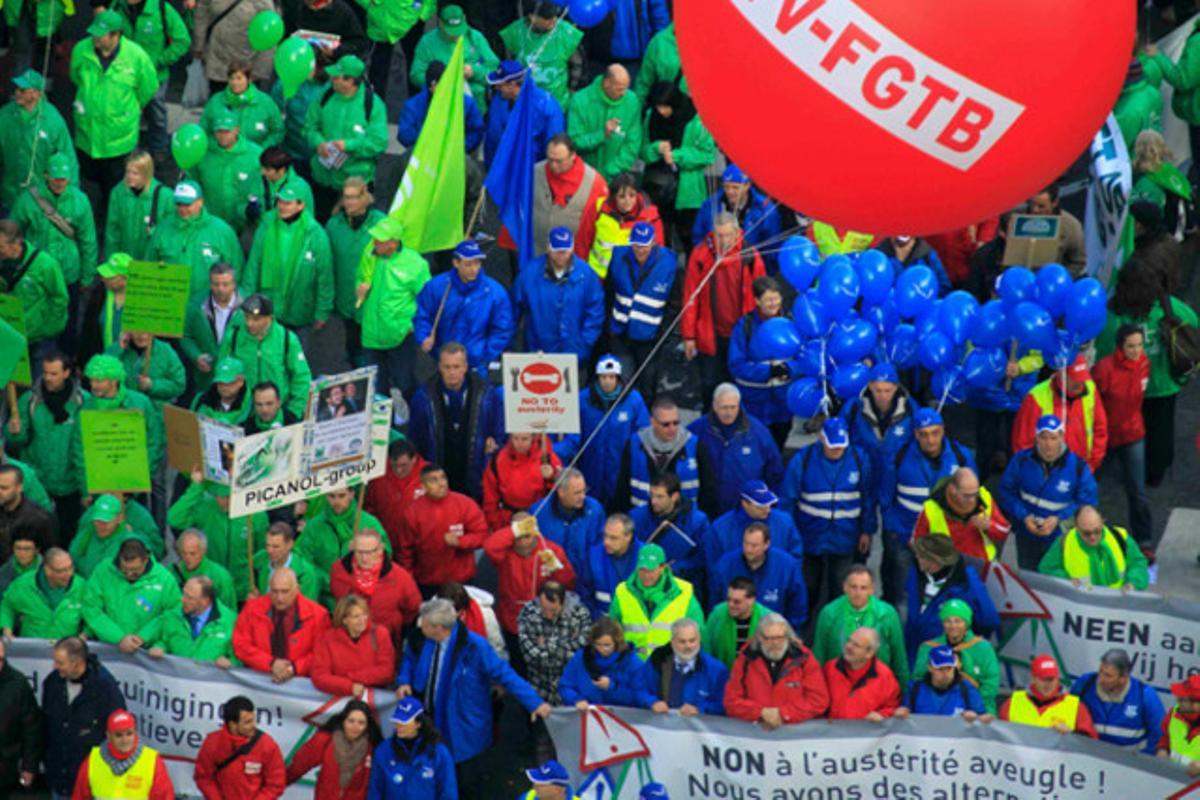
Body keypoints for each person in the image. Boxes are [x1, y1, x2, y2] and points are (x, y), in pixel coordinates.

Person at [397, 598, 551, 794]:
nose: (420, 626)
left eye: (425, 624)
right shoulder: (420, 639)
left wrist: (534, 702)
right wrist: (404, 680)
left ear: (439, 628)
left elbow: (505, 674)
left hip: (462, 724)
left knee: (466, 781)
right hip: (431, 718)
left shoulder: (475, 647)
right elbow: (409, 659)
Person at [1095, 260, 1197, 488]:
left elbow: (1102, 350)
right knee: (1161, 428)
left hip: (1126, 387)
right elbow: (1192, 323)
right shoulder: (1168, 307)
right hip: (1162, 383)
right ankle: (1155, 471)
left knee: (1125, 427)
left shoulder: (1114, 315)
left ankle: (1126, 464)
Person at [878, 407, 976, 605]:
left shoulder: (961, 457)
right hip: (905, 538)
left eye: (935, 433)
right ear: (915, 434)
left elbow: (972, 497)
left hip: (946, 542)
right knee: (904, 596)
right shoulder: (898, 457)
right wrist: (898, 532)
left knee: (944, 597)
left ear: (943, 430)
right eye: (923, 435)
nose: (930, 440)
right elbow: (885, 498)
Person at [780, 417, 875, 617]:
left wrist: (867, 530)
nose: (837, 450)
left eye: (841, 446)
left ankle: (837, 628)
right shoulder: (803, 460)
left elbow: (868, 498)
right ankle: (806, 630)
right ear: (822, 439)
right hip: (809, 536)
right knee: (808, 588)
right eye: (833, 446)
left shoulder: (859, 460)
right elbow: (787, 500)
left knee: (840, 589)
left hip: (845, 537)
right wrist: (789, 535)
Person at [68, 10, 158, 196]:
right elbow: (75, 77)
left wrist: (131, 107)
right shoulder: (80, 50)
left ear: (115, 35)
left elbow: (148, 87)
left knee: (117, 189)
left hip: (118, 142)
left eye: (100, 34)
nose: (95, 38)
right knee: (90, 183)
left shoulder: (137, 57)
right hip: (88, 137)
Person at [682, 212, 766, 402]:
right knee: (710, 386)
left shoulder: (750, 256)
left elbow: (762, 297)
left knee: (740, 386)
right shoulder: (701, 255)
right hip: (710, 334)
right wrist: (689, 336)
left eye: (728, 234)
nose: (724, 240)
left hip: (740, 335)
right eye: (719, 235)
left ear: (737, 233)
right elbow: (690, 298)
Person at [1000, 415, 1099, 569]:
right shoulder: (1021, 460)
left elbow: (1088, 501)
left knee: (1056, 581)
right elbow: (1006, 491)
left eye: (1053, 438)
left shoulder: (1078, 467)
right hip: (1026, 536)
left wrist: (1059, 519)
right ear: (1036, 438)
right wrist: (1024, 516)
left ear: (1061, 437)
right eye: (1043, 438)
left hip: (1060, 539)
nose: (1048, 444)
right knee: (1028, 581)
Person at [10, 154, 99, 319]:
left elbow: (88, 241)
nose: (60, 183)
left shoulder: (80, 201)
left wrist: (87, 276)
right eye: (56, 178)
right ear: (46, 175)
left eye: (64, 179)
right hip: (37, 272)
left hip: (68, 272)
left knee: (68, 319)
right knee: (36, 316)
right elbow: (13, 234)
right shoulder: (27, 201)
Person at [555, 356, 649, 509]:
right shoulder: (582, 399)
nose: (607, 381)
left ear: (618, 378)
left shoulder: (633, 400)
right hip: (590, 469)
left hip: (621, 472)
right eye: (603, 377)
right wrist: (555, 453)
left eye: (611, 377)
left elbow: (642, 436)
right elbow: (572, 436)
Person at [241, 184, 333, 341]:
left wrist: (322, 312)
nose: (282, 207)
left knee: (298, 358)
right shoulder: (266, 226)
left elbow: (324, 276)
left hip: (300, 310)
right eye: (280, 202)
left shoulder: (316, 235)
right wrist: (246, 300)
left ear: (301, 205)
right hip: (269, 307)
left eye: (288, 203)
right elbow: (254, 265)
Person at [355, 216, 431, 398]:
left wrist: (412, 327)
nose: (374, 243)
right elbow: (360, 277)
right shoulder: (369, 255)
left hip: (400, 336)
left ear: (394, 242)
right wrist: (359, 289)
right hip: (371, 335)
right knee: (376, 387)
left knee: (405, 382)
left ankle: (416, 419)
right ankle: (384, 424)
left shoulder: (416, 265)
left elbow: (428, 300)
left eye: (380, 240)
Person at [42, 637, 126, 800]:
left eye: (60, 662)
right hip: (59, 780)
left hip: (91, 783)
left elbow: (117, 734)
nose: (55, 666)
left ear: (76, 663)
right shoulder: (52, 683)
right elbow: (45, 726)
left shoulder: (105, 688)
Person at [1092, 324, 1153, 547]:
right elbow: (1092, 403)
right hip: (1105, 436)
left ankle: (1144, 540)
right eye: (1131, 346)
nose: (1136, 351)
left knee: (1137, 491)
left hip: (1133, 434)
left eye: (1139, 345)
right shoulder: (1104, 370)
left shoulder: (1144, 364)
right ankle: (1088, 532)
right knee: (1090, 487)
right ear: (1120, 346)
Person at [304, 54, 388, 216]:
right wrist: (318, 142)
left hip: (355, 185)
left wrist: (348, 145)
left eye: (337, 77)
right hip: (323, 180)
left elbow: (378, 142)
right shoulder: (325, 96)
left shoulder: (373, 105)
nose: (331, 79)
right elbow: (309, 126)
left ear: (350, 81)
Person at [413, 239, 513, 374]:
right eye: (468, 264)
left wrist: (485, 355)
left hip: (477, 365)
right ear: (456, 263)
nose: (474, 269)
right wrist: (424, 336)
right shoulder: (436, 287)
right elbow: (422, 316)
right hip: (443, 363)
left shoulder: (495, 292)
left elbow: (502, 328)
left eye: (477, 263)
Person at [605, 225, 680, 402]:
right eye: (636, 245)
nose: (640, 249)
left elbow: (675, 304)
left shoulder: (669, 264)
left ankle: (645, 422)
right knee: (622, 385)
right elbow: (609, 291)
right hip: (620, 334)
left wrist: (663, 333)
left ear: (653, 243)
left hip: (650, 338)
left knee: (648, 386)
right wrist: (609, 325)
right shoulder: (618, 257)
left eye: (644, 245)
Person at [169, 471, 268, 601]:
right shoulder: (206, 508)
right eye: (219, 496)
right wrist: (196, 487)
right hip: (212, 586)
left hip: (245, 590)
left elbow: (263, 551)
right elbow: (175, 518)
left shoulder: (255, 513)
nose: (224, 501)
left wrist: (259, 583)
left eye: (228, 496)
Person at [688, 383, 783, 517]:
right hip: (709, 510)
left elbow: (775, 471)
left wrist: (770, 506)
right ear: (714, 405)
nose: (729, 412)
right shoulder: (697, 431)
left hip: (748, 511)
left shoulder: (758, 432)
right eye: (724, 407)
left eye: (733, 407)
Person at [513, 226, 605, 364]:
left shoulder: (587, 275)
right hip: (538, 352)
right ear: (548, 248)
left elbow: (595, 313)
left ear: (572, 248)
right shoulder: (529, 274)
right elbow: (513, 311)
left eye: (565, 251)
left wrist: (583, 344)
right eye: (557, 251)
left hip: (575, 355)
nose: (561, 255)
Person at [408, 344, 491, 497]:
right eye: (447, 367)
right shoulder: (422, 397)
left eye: (456, 366)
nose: (452, 372)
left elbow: (496, 431)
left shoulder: (485, 394)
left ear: (465, 367)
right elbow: (414, 439)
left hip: (474, 475)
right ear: (439, 367)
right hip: (438, 471)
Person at [640, 81, 716, 246]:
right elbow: (643, 152)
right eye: (658, 106)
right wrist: (655, 148)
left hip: (687, 191)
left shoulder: (696, 118)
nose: (662, 111)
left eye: (666, 106)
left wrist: (677, 156)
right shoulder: (651, 116)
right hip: (658, 187)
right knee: (661, 238)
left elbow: (707, 155)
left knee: (689, 238)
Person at [727, 278, 801, 450]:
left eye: (776, 298)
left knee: (780, 441)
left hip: (783, 403)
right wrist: (768, 371)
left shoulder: (791, 323)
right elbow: (736, 365)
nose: (773, 304)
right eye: (768, 299)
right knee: (758, 446)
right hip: (755, 403)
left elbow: (804, 357)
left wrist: (789, 369)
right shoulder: (744, 326)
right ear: (757, 301)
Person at [723, 613, 829, 727]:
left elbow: (819, 701)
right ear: (759, 638)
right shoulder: (746, 659)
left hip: (795, 736)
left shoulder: (804, 659)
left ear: (788, 636)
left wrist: (783, 714)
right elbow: (731, 701)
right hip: (754, 736)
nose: (775, 643)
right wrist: (760, 713)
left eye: (780, 637)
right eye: (769, 638)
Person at [396, 464, 488, 594]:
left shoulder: (465, 504)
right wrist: (408, 579)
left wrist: (460, 541)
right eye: (433, 480)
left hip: (461, 581)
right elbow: (405, 551)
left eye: (443, 478)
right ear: (423, 486)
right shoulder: (412, 512)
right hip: (427, 582)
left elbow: (482, 535)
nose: (441, 483)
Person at [904, 536, 999, 660]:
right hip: (913, 653)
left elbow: (988, 620)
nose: (917, 557)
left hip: (946, 661)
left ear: (935, 561)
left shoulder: (967, 585)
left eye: (921, 556)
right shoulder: (915, 573)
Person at [145, 182, 245, 300]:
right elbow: (149, 267)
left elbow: (237, 270)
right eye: (178, 204)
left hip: (209, 306)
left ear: (200, 202)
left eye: (187, 204)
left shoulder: (222, 231)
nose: (182, 209)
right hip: (171, 304)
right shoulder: (162, 229)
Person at [811, 566, 908, 688]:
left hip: (877, 685)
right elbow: (819, 655)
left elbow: (899, 658)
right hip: (838, 684)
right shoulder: (829, 613)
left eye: (863, 588)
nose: (858, 593)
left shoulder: (888, 614)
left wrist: (904, 697)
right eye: (853, 587)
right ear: (844, 587)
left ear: (872, 589)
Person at [218, 293, 312, 417]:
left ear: (269, 318)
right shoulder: (234, 337)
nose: (250, 323)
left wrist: (293, 411)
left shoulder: (287, 339)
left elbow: (301, 377)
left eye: (256, 319)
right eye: (247, 317)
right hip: (241, 414)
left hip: (276, 413)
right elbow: (222, 373)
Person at [485, 513, 575, 641]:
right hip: (511, 620)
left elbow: (568, 583)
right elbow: (489, 546)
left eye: (527, 532)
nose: (523, 538)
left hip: (544, 620)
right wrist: (516, 529)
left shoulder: (550, 550)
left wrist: (557, 568)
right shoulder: (504, 552)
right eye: (518, 533)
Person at [1012, 355, 1108, 474]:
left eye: (1082, 378)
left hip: (1081, 470)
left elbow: (1100, 429)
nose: (1080, 383)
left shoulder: (1090, 389)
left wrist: (1091, 465)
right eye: (1074, 378)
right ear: (1061, 375)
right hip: (1046, 474)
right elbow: (1023, 442)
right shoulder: (1036, 397)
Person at [608, 543, 704, 659]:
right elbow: (612, 631)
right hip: (633, 668)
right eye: (642, 570)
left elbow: (698, 632)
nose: (646, 575)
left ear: (662, 568)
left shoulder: (683, 593)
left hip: (669, 667)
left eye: (651, 570)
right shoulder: (622, 592)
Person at [82, 539, 180, 653]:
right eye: (124, 570)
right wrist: (118, 637)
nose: (129, 574)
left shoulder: (164, 579)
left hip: (147, 649)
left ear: (146, 559)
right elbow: (90, 607)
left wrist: (144, 636)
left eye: (135, 570)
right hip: (108, 646)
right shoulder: (103, 571)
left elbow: (173, 612)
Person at [232, 567, 331, 680]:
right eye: (274, 591)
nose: (279, 598)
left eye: (285, 591)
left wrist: (293, 668)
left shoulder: (319, 616)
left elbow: (322, 653)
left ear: (297, 589)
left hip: (301, 682)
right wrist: (270, 663)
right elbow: (240, 644)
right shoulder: (252, 609)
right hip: (260, 679)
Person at [0, 70, 76, 211]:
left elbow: (68, 158)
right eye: (16, 89)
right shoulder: (4, 115)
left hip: (41, 200)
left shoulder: (53, 120)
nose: (17, 92)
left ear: (37, 94)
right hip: (10, 197)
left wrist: (69, 196)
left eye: (22, 90)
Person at [709, 522, 806, 633]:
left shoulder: (787, 566)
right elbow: (715, 603)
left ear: (766, 544)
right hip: (732, 631)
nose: (749, 549)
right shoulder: (724, 565)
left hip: (774, 634)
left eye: (754, 545)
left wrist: (789, 633)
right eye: (746, 543)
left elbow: (797, 607)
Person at [329, 529, 421, 642]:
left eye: (369, 552)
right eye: (359, 552)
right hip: (348, 639)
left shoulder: (400, 578)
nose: (364, 558)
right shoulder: (338, 570)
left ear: (380, 550)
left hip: (384, 641)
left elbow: (413, 609)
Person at [910, 599, 1000, 714]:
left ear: (967, 623)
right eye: (948, 621)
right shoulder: (927, 648)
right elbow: (918, 679)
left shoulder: (983, 648)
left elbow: (991, 684)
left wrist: (969, 704)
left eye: (958, 621)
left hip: (979, 709)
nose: (953, 626)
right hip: (936, 707)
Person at [623, 396, 712, 510]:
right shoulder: (634, 444)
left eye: (676, 423)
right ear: (653, 422)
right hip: (644, 519)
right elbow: (623, 489)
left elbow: (708, 490)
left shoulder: (695, 445)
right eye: (666, 424)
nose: (672, 428)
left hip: (683, 520)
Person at [527, 134, 608, 256]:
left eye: (559, 161)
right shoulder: (534, 172)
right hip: (535, 253)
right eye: (550, 159)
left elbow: (601, 228)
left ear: (573, 156)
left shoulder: (595, 184)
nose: (553, 165)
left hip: (571, 259)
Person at [573, 172, 664, 281]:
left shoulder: (650, 217)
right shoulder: (598, 209)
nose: (627, 201)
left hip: (630, 281)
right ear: (613, 196)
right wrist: (580, 273)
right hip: (597, 278)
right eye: (622, 196)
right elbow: (582, 243)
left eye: (632, 195)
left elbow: (658, 253)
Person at [1072, 648, 1164, 753]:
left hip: (1130, 763)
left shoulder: (1144, 695)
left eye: (1108, 676)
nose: (1101, 679)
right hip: (1090, 758)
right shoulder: (1085, 684)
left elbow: (1159, 734)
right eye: (1100, 672)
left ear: (1123, 678)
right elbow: (1068, 713)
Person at [1038, 505, 1150, 590]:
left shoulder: (1120, 537)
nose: (1093, 537)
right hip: (1083, 606)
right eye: (1087, 533)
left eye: (1097, 531)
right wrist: (1065, 579)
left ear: (1102, 522)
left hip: (1118, 604)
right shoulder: (1065, 542)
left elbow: (1138, 563)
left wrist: (1133, 583)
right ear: (1076, 528)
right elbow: (1046, 569)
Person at [194, 695, 286, 799]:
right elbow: (203, 777)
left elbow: (276, 785)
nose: (254, 725)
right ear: (233, 725)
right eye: (248, 722)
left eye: (254, 719)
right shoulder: (213, 743)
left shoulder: (267, 745)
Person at [187, 111, 264, 236]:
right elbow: (192, 183)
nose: (223, 136)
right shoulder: (203, 153)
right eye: (219, 131)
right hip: (211, 225)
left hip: (245, 224)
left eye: (227, 131)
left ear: (237, 130)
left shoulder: (256, 154)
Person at [287, 698, 381, 800]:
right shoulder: (325, 740)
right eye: (351, 721)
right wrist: (273, 787)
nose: (355, 726)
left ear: (367, 726)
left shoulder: (373, 748)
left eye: (361, 723)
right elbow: (298, 766)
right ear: (343, 721)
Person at [69, 709, 173, 800]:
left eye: (129, 733)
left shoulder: (152, 761)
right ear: (108, 736)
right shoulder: (93, 760)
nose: (125, 740)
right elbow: (79, 796)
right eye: (119, 735)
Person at [630, 472, 708, 592]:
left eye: (660, 497)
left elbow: (703, 557)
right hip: (645, 585)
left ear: (674, 496)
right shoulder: (636, 517)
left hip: (681, 585)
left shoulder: (697, 522)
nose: (653, 501)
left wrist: (675, 568)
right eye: (652, 495)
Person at [0, 220, 68, 358]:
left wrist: (48, 329)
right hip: (10, 333)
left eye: (0, 246)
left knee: (39, 377)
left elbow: (60, 298)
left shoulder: (46, 265)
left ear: (16, 243)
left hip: (38, 338)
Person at [913, 467, 1010, 563]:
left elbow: (1004, 531)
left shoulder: (984, 497)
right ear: (952, 490)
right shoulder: (931, 509)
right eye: (966, 496)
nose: (972, 500)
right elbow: (918, 544)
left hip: (982, 566)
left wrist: (989, 526)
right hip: (948, 569)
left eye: (975, 494)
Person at [516, 581, 591, 703]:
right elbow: (531, 657)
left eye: (553, 610)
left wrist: (547, 646)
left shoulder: (580, 614)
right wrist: (566, 648)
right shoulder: (528, 613)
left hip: (570, 694)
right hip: (539, 692)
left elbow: (581, 656)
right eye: (544, 609)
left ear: (563, 602)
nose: (548, 615)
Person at [566, 65, 643, 181]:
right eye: (619, 89)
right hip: (584, 178)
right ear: (607, 84)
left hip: (617, 178)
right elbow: (574, 142)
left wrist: (612, 170)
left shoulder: (632, 102)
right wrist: (602, 135)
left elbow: (633, 143)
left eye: (626, 88)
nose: (624, 94)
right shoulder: (579, 101)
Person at [484, 60, 565, 170]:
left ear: (511, 85)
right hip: (501, 170)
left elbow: (553, 145)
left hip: (529, 174)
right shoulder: (499, 99)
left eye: (499, 85)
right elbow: (492, 136)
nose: (496, 88)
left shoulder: (547, 106)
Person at [311, 595, 397, 697]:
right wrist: (348, 686)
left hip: (375, 696)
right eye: (356, 617)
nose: (362, 620)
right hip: (339, 698)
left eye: (364, 614)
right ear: (344, 620)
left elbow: (387, 670)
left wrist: (350, 677)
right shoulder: (327, 639)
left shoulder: (380, 634)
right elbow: (319, 676)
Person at [500, 3, 583, 107]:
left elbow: (578, 67)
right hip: (524, 103)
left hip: (557, 103)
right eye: (547, 18)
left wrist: (572, 92)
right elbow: (506, 66)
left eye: (554, 15)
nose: (554, 20)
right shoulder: (515, 33)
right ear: (532, 17)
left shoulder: (568, 34)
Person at [641, 617, 729, 716]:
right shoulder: (658, 659)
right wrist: (652, 702)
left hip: (698, 729)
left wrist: (699, 709)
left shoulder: (716, 670)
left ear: (699, 639)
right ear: (672, 642)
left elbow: (724, 704)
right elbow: (639, 688)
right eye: (682, 642)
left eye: (692, 641)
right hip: (660, 725)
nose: (688, 646)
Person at [705, 480, 805, 567]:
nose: (767, 510)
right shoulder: (720, 528)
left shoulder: (784, 522)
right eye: (760, 506)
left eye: (769, 504)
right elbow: (714, 566)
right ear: (745, 504)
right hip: (737, 586)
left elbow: (795, 556)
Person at [841, 363, 913, 479]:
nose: (883, 396)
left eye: (887, 390)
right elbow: (841, 442)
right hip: (861, 477)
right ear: (870, 386)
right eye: (878, 390)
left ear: (896, 387)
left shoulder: (910, 409)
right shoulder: (853, 409)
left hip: (897, 479)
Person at [298, 487, 391, 577]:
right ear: (326, 496)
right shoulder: (314, 525)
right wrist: (325, 579)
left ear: (351, 494)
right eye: (332, 496)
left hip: (359, 586)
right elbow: (304, 560)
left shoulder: (369, 523)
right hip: (324, 588)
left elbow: (385, 555)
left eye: (341, 496)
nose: (336, 501)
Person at [398, 60, 487, 154]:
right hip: (422, 154)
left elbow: (476, 131)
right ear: (431, 86)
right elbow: (404, 135)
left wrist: (459, 148)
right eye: (439, 84)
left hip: (455, 155)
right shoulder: (412, 106)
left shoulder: (466, 103)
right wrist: (431, 143)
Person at [559, 617, 648, 709]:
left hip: (622, 719)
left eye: (607, 645)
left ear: (617, 643)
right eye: (597, 644)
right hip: (588, 718)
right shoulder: (581, 657)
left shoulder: (632, 661)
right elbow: (565, 685)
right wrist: (576, 699)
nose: (602, 649)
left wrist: (612, 687)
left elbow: (640, 695)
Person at [146, 576, 236, 666]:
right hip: (178, 677)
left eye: (190, 598)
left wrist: (231, 662)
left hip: (210, 679)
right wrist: (159, 647)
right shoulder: (174, 615)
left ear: (205, 601)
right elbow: (166, 640)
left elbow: (240, 658)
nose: (182, 599)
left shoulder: (230, 621)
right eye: (184, 593)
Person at [1000, 654, 1098, 736]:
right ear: (1033, 678)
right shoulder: (1012, 703)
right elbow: (999, 738)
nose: (1048, 684)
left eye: (1052, 679)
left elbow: (1089, 745)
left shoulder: (1077, 707)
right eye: (1043, 679)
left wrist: (1071, 735)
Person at [1, 547, 85, 639]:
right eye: (61, 571)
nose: (68, 574)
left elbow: (93, 612)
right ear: (48, 570)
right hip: (32, 648)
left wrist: (85, 633)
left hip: (68, 649)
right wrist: (6, 627)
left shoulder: (81, 586)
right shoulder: (24, 584)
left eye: (70, 568)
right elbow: (6, 606)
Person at [192, 0, 275, 93]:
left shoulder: (263, 3)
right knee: (218, 99)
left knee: (244, 103)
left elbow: (270, 34)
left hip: (246, 66)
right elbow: (202, 13)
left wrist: (259, 72)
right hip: (217, 60)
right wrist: (198, 45)